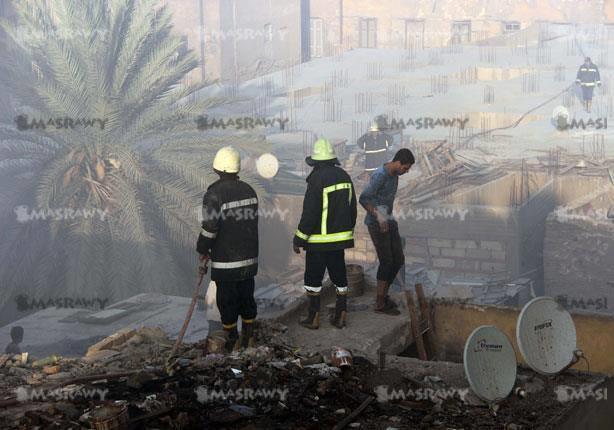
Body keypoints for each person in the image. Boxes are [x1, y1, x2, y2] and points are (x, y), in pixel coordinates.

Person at [197, 146, 259, 351]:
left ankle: (232, 342)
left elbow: (210, 228)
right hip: (249, 260)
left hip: (226, 262)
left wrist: (202, 248)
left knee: (227, 302)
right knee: (247, 298)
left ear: (217, 169)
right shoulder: (249, 190)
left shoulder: (214, 194)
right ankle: (249, 338)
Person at [293, 138, 357, 329]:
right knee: (339, 276)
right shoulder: (345, 176)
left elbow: (310, 213)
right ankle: (341, 314)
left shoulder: (316, 179)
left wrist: (299, 238)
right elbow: (352, 208)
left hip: (319, 242)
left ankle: (313, 317)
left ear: (316, 162)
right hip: (339, 242)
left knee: (313, 279)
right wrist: (346, 232)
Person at [359, 148, 415, 314]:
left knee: (398, 259)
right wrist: (378, 216)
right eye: (405, 168)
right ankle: (380, 302)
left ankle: (383, 295)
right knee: (387, 261)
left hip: (389, 220)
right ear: (398, 163)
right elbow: (364, 198)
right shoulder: (380, 176)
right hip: (377, 223)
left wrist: (387, 218)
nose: (406, 171)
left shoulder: (395, 175)